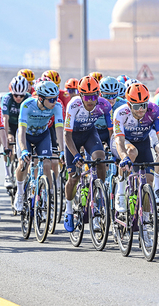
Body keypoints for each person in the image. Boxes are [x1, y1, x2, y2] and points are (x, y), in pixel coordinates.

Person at [63, 76, 112, 232]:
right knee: (74, 177)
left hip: (90, 134)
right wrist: (76, 154)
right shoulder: (74, 105)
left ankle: (99, 195)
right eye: (86, 96)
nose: (91, 100)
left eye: (94, 96)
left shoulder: (104, 105)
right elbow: (66, 135)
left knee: (100, 159)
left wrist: (114, 150)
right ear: (80, 95)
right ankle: (69, 209)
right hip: (73, 138)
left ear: (99, 94)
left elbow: (112, 132)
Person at [111, 83, 159, 211]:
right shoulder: (120, 112)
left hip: (143, 142)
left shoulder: (154, 110)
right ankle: (120, 193)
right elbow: (119, 140)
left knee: (149, 181)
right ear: (129, 105)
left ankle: (146, 218)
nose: (141, 110)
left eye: (144, 105)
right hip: (123, 142)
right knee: (131, 152)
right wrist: (124, 157)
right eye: (137, 106)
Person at [14, 80, 64, 211]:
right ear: (41, 99)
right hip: (26, 135)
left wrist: (62, 150)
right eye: (51, 99)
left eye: (56, 98)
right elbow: (22, 130)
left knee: (47, 163)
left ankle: (48, 196)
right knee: (23, 164)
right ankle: (19, 192)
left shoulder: (57, 107)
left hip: (42, 135)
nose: (54, 102)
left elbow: (59, 130)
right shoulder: (27, 105)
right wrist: (24, 150)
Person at [0, 75, 30, 186]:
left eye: (21, 95)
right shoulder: (7, 98)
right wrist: (6, 139)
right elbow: (5, 120)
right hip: (11, 125)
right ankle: (8, 174)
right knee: (9, 140)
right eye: (15, 95)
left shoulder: (29, 98)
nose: (18, 97)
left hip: (23, 125)